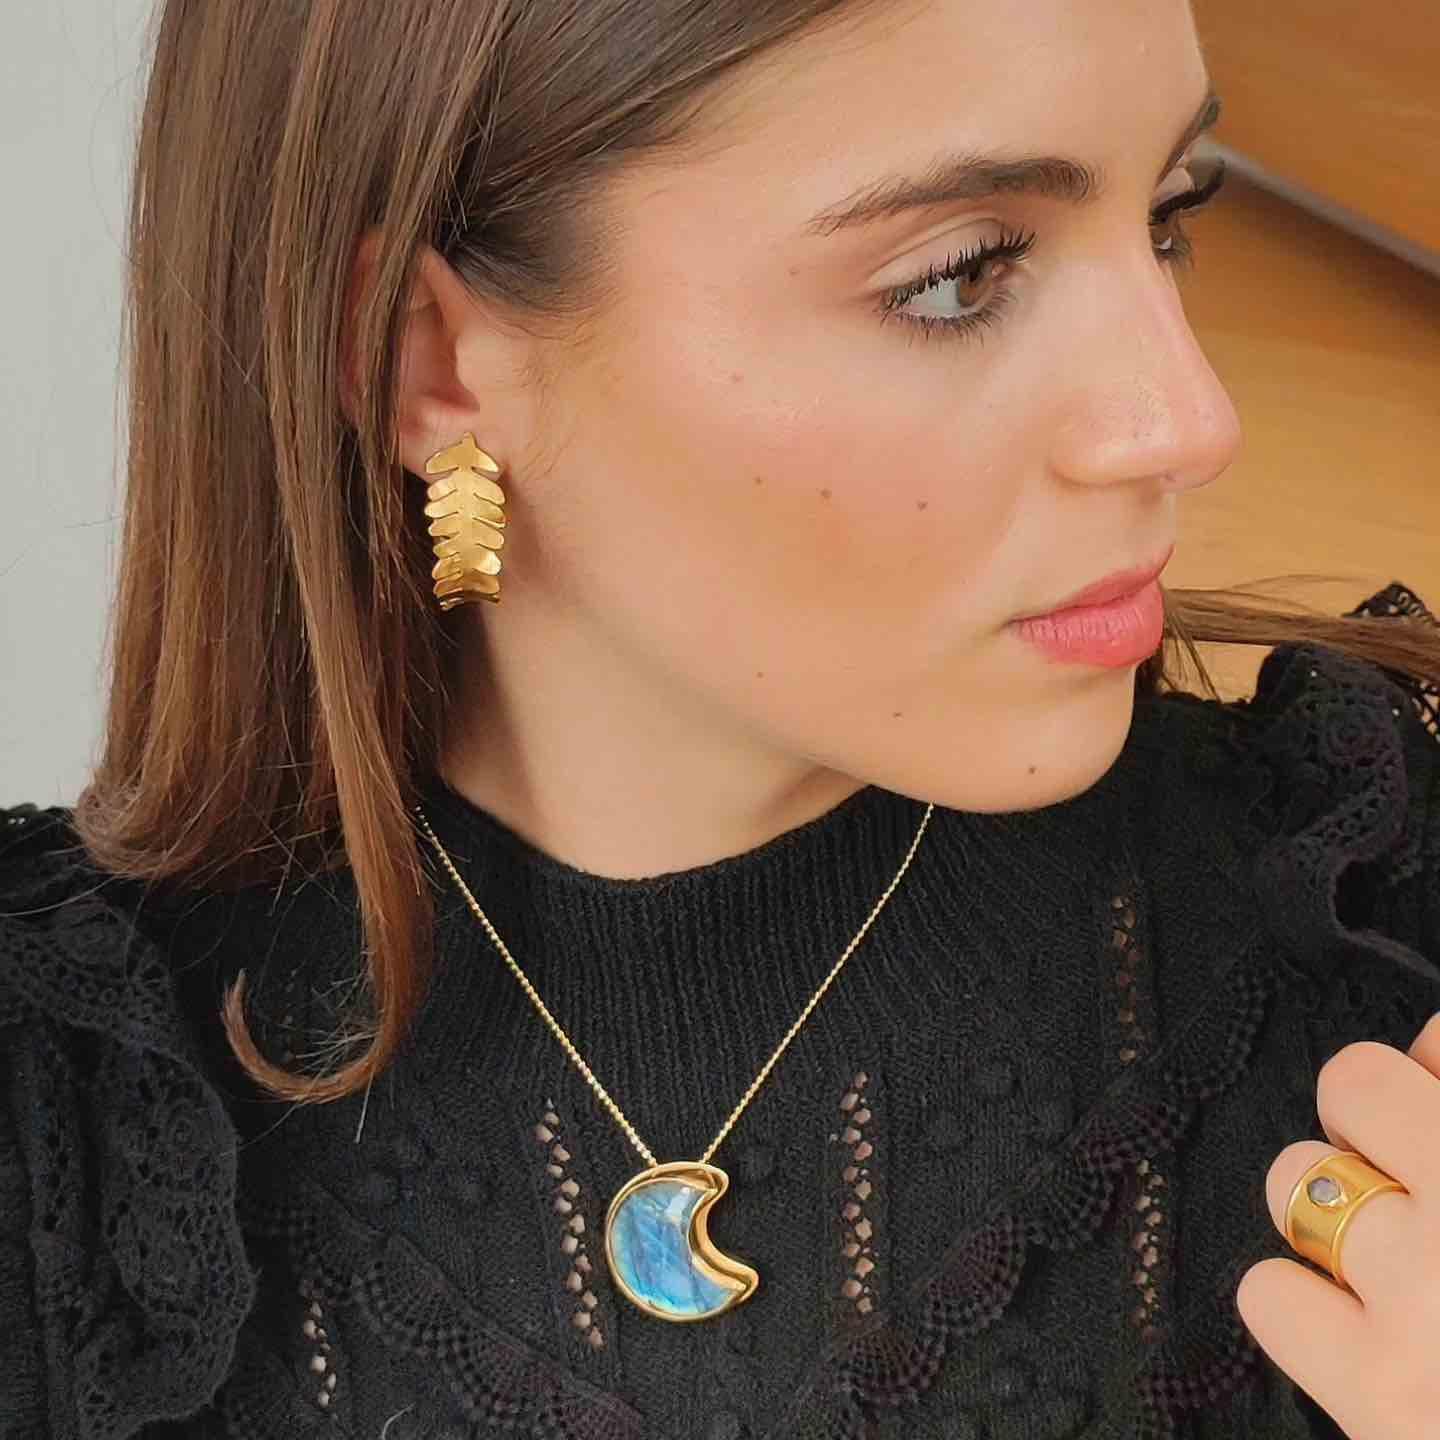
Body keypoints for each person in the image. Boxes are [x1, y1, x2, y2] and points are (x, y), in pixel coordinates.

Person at [2, 0, 1438, 1436]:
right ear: (426, 361)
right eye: (958, 279)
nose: (1189, 419)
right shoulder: (65, 1121)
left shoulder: (1380, 930)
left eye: (1170, 215)